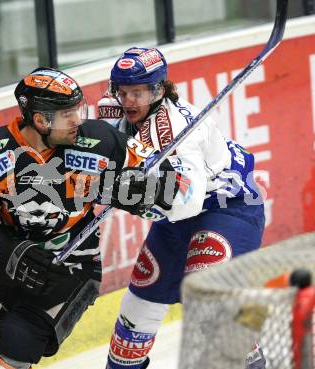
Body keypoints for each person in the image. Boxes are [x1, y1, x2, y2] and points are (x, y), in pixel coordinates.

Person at [0, 67, 180, 369]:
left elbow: (166, 182)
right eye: (67, 114)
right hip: (6, 265)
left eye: (78, 109)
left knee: (16, 343)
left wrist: (145, 189)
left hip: (70, 266)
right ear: (40, 120)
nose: (78, 119)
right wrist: (11, 255)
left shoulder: (101, 141)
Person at [98, 47, 266, 369]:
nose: (129, 100)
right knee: (135, 315)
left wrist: (125, 192)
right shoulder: (112, 114)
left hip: (227, 207)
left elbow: (186, 202)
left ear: (158, 90)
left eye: (138, 92)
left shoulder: (177, 131)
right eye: (123, 92)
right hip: (175, 221)